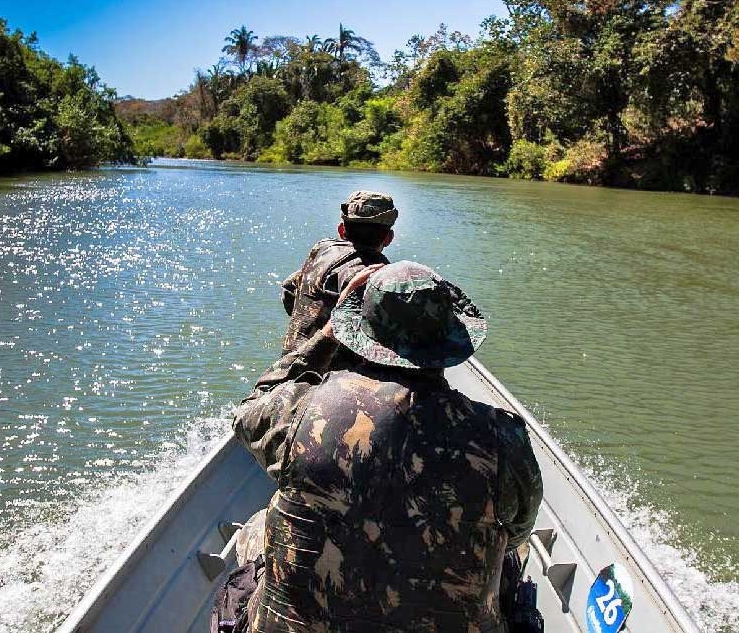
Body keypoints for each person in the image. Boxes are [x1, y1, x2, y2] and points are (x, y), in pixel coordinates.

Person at [232, 260, 543, 632]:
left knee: (257, 526)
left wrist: (326, 336)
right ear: (449, 342)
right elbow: (517, 532)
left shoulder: (301, 411)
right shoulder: (503, 440)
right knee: (512, 554)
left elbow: (250, 410)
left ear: (360, 335)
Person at [279, 190, 397, 356]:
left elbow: (288, 288)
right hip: (329, 375)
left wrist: (310, 322)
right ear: (389, 238)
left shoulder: (323, 248)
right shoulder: (374, 275)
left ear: (342, 230)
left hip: (288, 363)